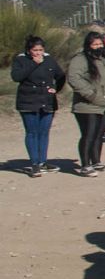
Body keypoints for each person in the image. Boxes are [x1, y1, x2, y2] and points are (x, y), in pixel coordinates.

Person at [67, 31, 105, 177]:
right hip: (87, 106)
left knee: (99, 134)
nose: (98, 47)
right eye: (95, 44)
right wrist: (92, 95)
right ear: (88, 45)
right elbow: (74, 78)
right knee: (89, 134)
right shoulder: (80, 59)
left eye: (100, 44)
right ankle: (85, 165)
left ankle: (96, 162)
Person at [10, 35, 66, 177]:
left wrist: (56, 89)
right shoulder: (21, 60)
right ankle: (34, 163)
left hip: (47, 101)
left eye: (40, 49)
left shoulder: (49, 60)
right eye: (35, 50)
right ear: (29, 50)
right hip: (28, 101)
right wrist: (34, 63)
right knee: (32, 132)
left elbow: (60, 75)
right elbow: (16, 77)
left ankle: (43, 162)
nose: (38, 53)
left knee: (44, 132)